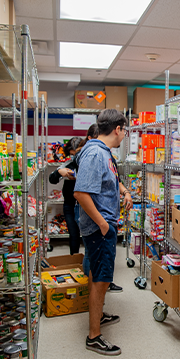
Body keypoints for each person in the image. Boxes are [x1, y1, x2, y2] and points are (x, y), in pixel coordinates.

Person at [74, 109, 133, 355]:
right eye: (125, 130)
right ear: (118, 129)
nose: (125, 135)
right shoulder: (96, 153)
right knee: (101, 280)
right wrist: (103, 225)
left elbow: (106, 180)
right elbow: (81, 193)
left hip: (103, 225)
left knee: (99, 275)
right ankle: (94, 336)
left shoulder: (102, 152)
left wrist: (124, 190)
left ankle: (98, 316)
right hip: (100, 227)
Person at [53, 125, 124, 293]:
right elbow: (79, 193)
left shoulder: (104, 155)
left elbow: (115, 179)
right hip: (80, 208)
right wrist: (61, 171)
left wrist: (125, 192)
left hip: (95, 212)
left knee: (93, 252)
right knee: (83, 242)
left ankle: (93, 282)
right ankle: (87, 281)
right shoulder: (91, 155)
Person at [49, 137, 83, 255]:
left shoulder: (88, 164)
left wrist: (77, 177)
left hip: (86, 205)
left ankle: (87, 265)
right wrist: (59, 172)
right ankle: (74, 260)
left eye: (76, 154)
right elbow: (52, 179)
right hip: (70, 205)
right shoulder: (68, 164)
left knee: (90, 236)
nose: (75, 157)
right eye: (72, 155)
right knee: (73, 235)